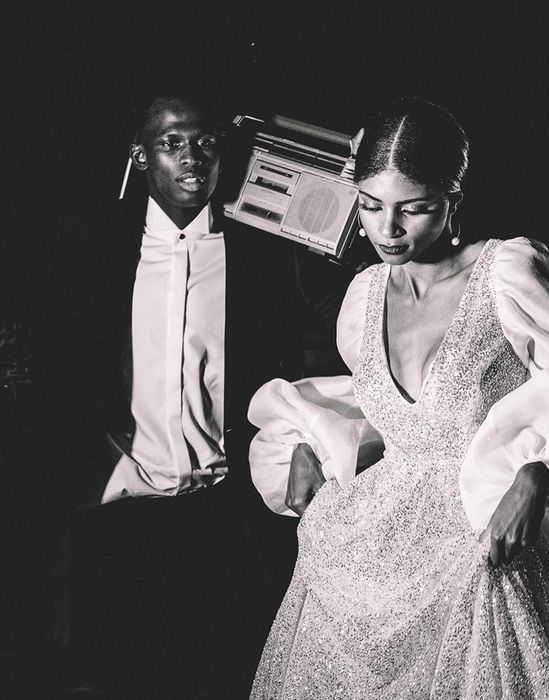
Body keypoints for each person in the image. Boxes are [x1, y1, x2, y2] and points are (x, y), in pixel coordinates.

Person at [246, 96, 549, 699]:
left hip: (479, 541)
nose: (387, 230)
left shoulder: (510, 275)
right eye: (369, 205)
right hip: (361, 552)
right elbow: (398, 418)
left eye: (413, 209)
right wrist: (313, 442)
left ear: (453, 200)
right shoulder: (362, 295)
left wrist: (541, 473)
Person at [43, 79, 350, 699]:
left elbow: (341, 335)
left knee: (225, 678)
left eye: (204, 141)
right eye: (171, 142)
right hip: (121, 510)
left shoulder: (263, 251)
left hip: (226, 514)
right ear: (141, 155)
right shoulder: (90, 241)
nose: (191, 156)